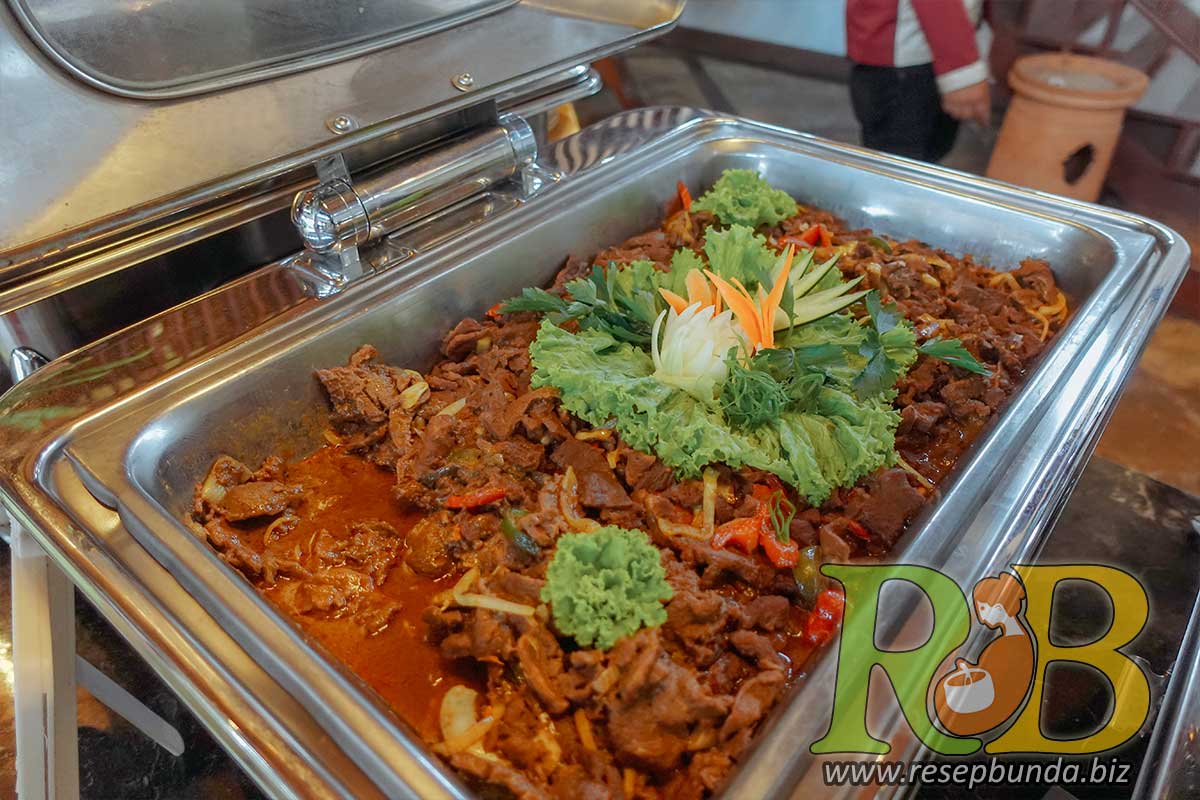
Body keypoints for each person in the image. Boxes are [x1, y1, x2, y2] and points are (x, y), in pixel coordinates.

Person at [846, 0, 992, 162]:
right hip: (903, 58)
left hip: (926, 51)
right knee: (898, 162)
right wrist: (960, 68)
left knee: (925, 154)